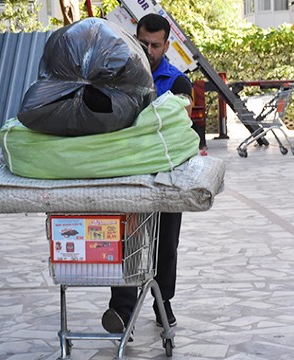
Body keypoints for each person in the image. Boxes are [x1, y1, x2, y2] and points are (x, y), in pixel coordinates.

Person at [101, 13, 194, 336]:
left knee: (165, 244)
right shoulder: (119, 79)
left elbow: (182, 131)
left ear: (167, 45)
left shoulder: (179, 83)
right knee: (127, 242)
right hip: (128, 174)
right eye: (144, 44)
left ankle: (162, 302)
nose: (150, 50)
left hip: (165, 177)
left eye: (156, 45)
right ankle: (121, 310)